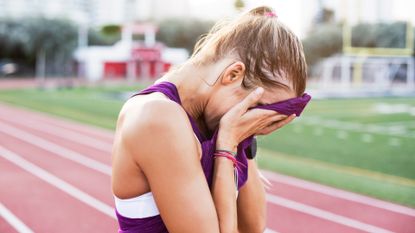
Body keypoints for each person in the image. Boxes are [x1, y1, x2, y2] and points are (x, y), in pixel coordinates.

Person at [111, 6, 308, 233]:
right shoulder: (158, 116)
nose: (256, 120)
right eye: (259, 108)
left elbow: (252, 227)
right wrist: (226, 147)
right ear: (233, 74)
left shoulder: (218, 120)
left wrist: (243, 138)